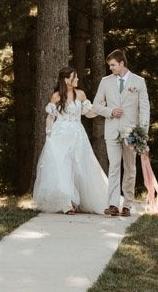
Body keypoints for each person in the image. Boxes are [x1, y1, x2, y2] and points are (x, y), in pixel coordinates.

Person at [32, 66, 108, 214]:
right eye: (75, 77)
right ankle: (67, 204)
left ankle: (81, 200)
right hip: (60, 135)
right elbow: (50, 117)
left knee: (80, 166)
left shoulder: (80, 94)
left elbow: (89, 113)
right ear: (67, 80)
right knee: (63, 167)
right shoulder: (56, 96)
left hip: (77, 134)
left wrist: (100, 108)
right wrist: (48, 135)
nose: (78, 79)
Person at [90, 48, 150, 217]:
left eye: (113, 65)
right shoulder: (105, 81)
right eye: (110, 66)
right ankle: (113, 204)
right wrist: (110, 111)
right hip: (112, 130)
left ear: (122, 64)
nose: (111, 68)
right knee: (114, 166)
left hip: (132, 132)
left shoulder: (139, 82)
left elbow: (144, 109)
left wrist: (143, 132)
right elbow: (95, 105)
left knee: (130, 167)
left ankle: (128, 205)